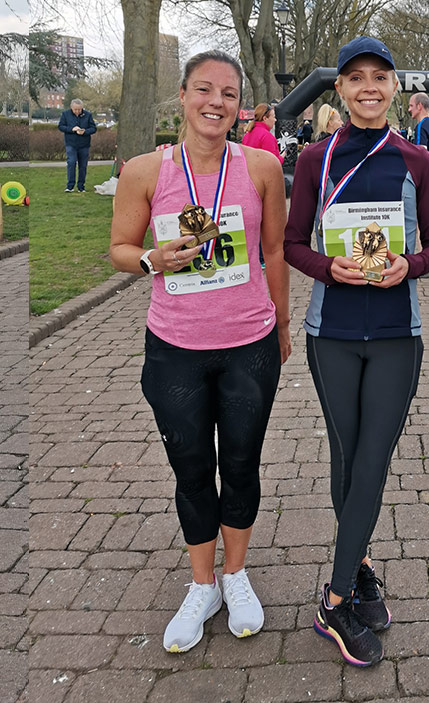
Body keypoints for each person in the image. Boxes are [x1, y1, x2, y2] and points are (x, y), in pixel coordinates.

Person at [109, 50, 291, 654]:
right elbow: (119, 246)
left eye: (230, 94)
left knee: (240, 463)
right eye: (205, 90)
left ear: (241, 105)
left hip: (249, 344)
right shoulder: (144, 171)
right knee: (192, 470)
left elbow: (272, 253)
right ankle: (202, 583)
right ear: (183, 96)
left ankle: (235, 575)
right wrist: (148, 260)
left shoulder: (262, 166)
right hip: (176, 348)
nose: (217, 102)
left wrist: (283, 324)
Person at [284, 36, 429, 668]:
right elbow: (296, 243)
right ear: (340, 90)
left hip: (395, 338)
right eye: (356, 78)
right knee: (347, 457)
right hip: (332, 334)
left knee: (373, 459)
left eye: (380, 77)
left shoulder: (417, 161)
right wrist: (331, 269)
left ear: (394, 87)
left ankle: (334, 598)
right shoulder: (313, 161)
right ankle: (362, 568)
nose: (368, 88)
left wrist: (406, 264)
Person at [58, 98, 97, 193]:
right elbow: (61, 126)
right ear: (71, 107)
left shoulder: (88, 115)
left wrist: (85, 131)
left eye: (79, 109)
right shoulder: (65, 114)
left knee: (83, 166)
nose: (78, 111)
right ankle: (70, 186)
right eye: (75, 109)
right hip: (71, 144)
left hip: (84, 144)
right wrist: (72, 129)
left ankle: (81, 187)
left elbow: (93, 128)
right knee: (71, 163)